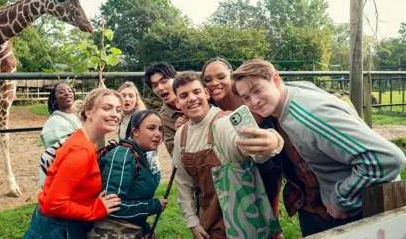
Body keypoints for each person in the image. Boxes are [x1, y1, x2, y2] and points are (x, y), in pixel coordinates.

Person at [231, 59, 406, 235]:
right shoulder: (294, 92)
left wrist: (340, 200)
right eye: (246, 97)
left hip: (362, 209)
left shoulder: (309, 117)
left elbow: (388, 158)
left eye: (258, 90)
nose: (254, 102)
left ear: (276, 80)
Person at [172, 71, 284, 239]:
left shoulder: (226, 122)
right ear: (177, 102)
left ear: (206, 93)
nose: (192, 99)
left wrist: (272, 141)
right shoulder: (181, 135)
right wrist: (192, 222)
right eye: (184, 95)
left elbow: (255, 152)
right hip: (209, 222)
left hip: (245, 220)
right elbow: (183, 182)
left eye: (196, 92)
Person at [24, 88, 123, 238]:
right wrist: (95, 210)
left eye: (118, 110)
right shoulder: (80, 150)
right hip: (56, 229)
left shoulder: (83, 140)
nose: (115, 114)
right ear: (88, 112)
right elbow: (54, 204)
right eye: (107, 108)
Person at [201, 57, 283, 237]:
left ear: (232, 77)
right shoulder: (209, 108)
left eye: (221, 76)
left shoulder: (252, 100)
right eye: (208, 79)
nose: (214, 83)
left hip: (265, 170)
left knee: (266, 219)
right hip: (232, 178)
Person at [88, 110, 167, 238]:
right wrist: (153, 205)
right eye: (151, 128)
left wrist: (145, 228)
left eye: (160, 129)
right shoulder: (123, 156)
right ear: (135, 132)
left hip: (131, 228)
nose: (158, 134)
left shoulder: (139, 155)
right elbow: (113, 208)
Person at [39, 83, 82, 189]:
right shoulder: (54, 124)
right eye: (61, 92)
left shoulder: (74, 118)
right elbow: (61, 155)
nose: (67, 94)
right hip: (64, 177)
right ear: (54, 100)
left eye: (69, 91)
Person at [145, 62, 184, 157]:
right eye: (154, 85)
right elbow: (175, 154)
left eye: (164, 81)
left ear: (176, 79)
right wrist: (184, 134)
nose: (160, 88)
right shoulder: (164, 118)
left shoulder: (198, 98)